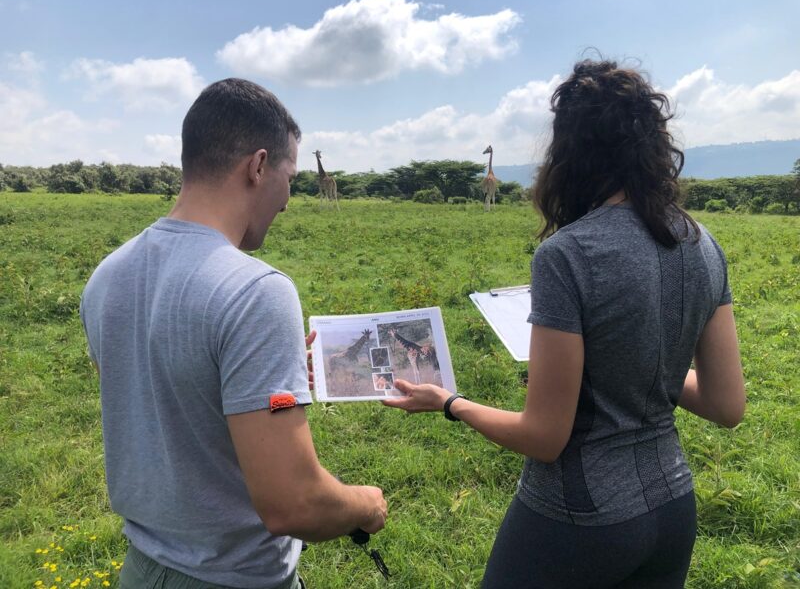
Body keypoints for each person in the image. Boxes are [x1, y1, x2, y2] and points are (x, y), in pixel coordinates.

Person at [383, 59, 745, 588]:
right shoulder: (702, 243)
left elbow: (545, 436)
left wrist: (450, 404)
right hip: (672, 510)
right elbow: (726, 405)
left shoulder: (567, 253)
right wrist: (643, 359)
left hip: (577, 519)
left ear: (570, 152)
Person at [80, 78, 387, 589]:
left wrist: (266, 371)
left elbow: (164, 402)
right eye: (288, 176)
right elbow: (294, 504)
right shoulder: (257, 290)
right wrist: (365, 504)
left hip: (140, 570)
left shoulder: (107, 275)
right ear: (259, 166)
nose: (288, 199)